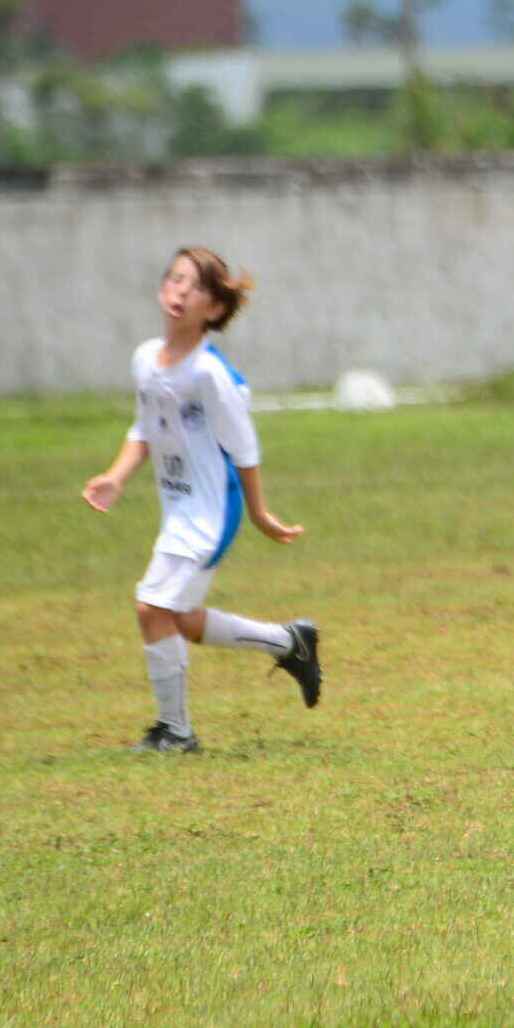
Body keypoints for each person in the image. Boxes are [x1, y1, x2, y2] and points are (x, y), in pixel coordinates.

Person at [81, 247, 321, 753]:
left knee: (151, 608)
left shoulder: (210, 375)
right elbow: (145, 428)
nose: (179, 291)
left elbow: (244, 448)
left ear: (213, 309)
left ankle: (176, 732)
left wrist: (258, 513)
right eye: (173, 279)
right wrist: (116, 477)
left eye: (194, 286)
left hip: (211, 512)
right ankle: (289, 642)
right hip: (178, 509)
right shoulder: (146, 358)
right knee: (181, 620)